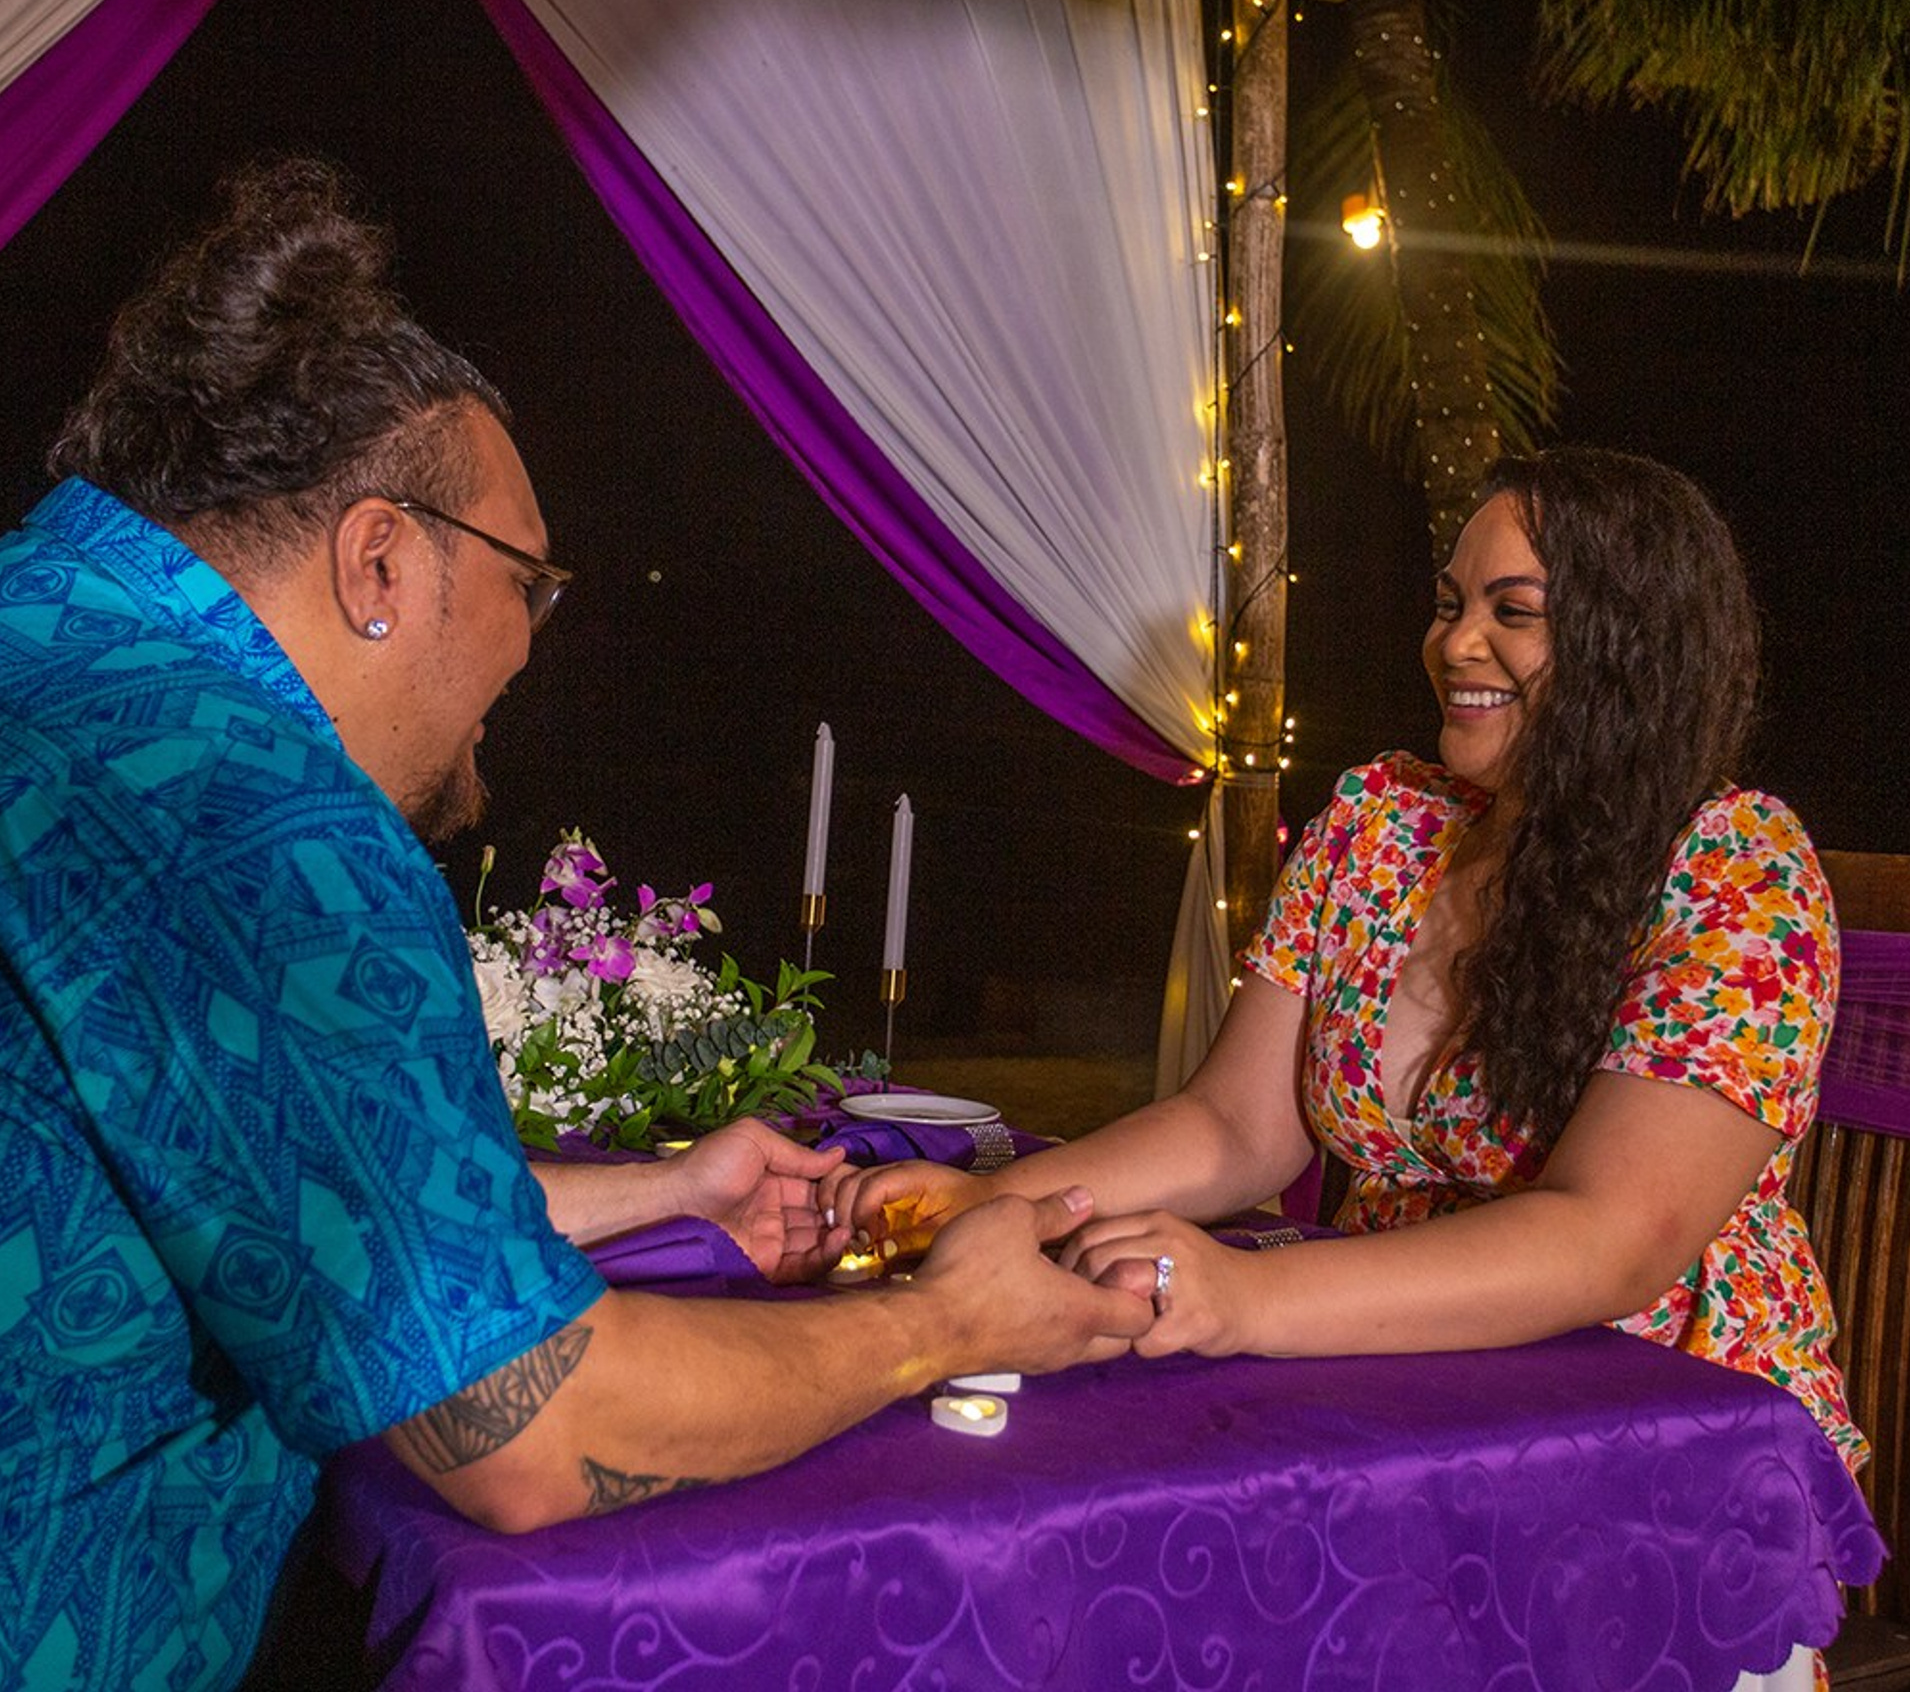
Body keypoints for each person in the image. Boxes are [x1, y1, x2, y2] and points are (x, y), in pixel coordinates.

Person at [0, 159, 1150, 1692]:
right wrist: (938, 1327)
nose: (532, 651)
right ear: (382, 560)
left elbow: (278, 1169)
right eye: (528, 587)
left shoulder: (63, 638)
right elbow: (526, 1432)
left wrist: (668, 1185)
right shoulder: (246, 804)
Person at [830, 446, 1862, 1473]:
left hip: (1652, 1415)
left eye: (1513, 612)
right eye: (1451, 602)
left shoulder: (1736, 868)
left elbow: (1611, 1240)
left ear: (1631, 647)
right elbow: (1234, 1127)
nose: (1456, 642)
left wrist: (1244, 1296)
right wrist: (1004, 1205)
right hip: (1383, 1376)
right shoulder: (1383, 823)